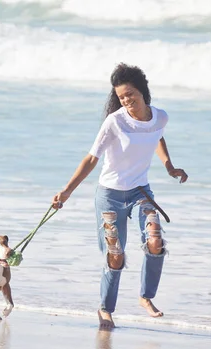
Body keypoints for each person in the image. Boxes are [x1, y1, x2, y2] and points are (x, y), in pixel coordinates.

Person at [52, 63, 188, 330]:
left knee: (155, 239)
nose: (126, 100)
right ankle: (105, 309)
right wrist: (67, 191)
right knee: (115, 254)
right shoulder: (114, 121)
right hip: (110, 196)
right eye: (121, 97)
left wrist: (169, 166)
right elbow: (92, 159)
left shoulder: (160, 117)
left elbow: (157, 136)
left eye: (130, 94)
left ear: (143, 91)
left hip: (140, 192)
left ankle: (145, 296)